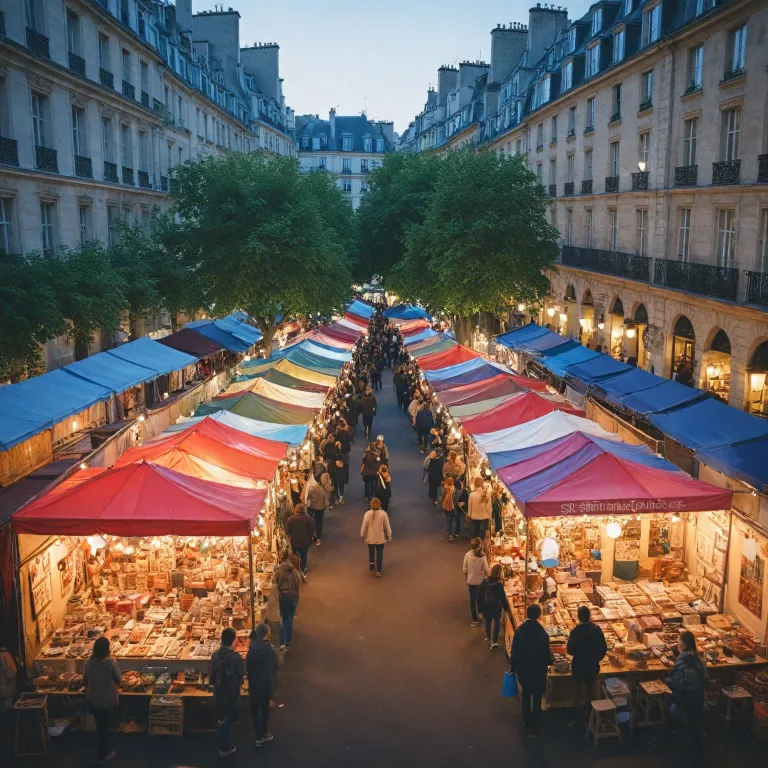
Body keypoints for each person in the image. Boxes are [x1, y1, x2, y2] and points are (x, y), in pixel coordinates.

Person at [509, 604, 553, 737]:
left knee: (526, 696)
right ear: (539, 616)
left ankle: (527, 723)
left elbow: (514, 651)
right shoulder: (542, 633)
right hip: (539, 672)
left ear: (527, 614)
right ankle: (536, 725)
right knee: (538, 699)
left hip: (524, 670)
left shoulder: (520, 631)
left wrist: (513, 666)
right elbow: (547, 655)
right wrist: (549, 662)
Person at [666, 630, 707, 756]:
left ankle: (672, 733)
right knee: (694, 723)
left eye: (678, 640)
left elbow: (676, 683)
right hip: (699, 699)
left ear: (683, 645)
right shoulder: (698, 659)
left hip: (687, 699)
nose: (677, 642)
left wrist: (668, 679)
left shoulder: (683, 660)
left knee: (668, 699)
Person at [566, 604, 608, 724]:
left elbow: (570, 650)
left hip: (578, 666)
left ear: (578, 617)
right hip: (592, 666)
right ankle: (589, 716)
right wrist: (596, 659)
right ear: (589, 617)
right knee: (589, 690)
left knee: (577, 691)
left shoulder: (575, 632)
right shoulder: (597, 630)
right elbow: (603, 648)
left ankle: (577, 717)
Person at [83, 636, 121, 764]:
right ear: (107, 649)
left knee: (101, 726)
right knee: (104, 728)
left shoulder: (88, 663)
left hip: (94, 701)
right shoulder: (111, 663)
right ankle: (104, 754)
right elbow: (119, 680)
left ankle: (104, 750)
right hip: (109, 701)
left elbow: (85, 680)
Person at [210, 627, 246, 757]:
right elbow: (241, 673)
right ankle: (224, 747)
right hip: (230, 692)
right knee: (227, 718)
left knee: (221, 717)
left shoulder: (215, 655)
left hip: (219, 691)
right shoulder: (235, 657)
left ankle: (222, 740)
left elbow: (212, 677)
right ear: (233, 641)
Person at [246, 624, 279, 747]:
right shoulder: (270, 649)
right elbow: (277, 663)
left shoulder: (251, 649)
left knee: (255, 709)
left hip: (254, 683)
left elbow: (247, 667)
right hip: (266, 683)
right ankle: (264, 733)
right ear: (266, 634)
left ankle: (258, 735)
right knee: (264, 708)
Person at [478, 564, 510, 649]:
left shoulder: (484, 581)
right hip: (495, 607)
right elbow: (502, 598)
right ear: (500, 573)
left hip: (485, 606)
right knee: (496, 623)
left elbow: (479, 597)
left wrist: (479, 610)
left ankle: (488, 637)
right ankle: (494, 641)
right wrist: (506, 608)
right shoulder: (498, 584)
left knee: (487, 622)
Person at [275, 552, 302, 651]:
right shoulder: (295, 572)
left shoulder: (279, 571)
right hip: (292, 597)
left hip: (281, 596)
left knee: (282, 618)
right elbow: (298, 584)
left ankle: (282, 642)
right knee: (289, 619)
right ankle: (287, 642)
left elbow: (275, 583)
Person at [360, 497, 392, 577]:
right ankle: (378, 571)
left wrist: (362, 535)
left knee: (371, 551)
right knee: (380, 554)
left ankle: (371, 562)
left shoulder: (367, 514)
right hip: (380, 538)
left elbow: (364, 526)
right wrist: (389, 536)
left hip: (370, 537)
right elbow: (387, 527)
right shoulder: (383, 514)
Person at [463, 538, 489, 627]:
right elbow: (486, 570)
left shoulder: (467, 555)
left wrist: (468, 575)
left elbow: (464, 569)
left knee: (472, 600)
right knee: (480, 598)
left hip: (471, 581)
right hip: (480, 581)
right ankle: (480, 613)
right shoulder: (483, 557)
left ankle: (475, 619)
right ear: (480, 546)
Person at [284, 504, 315, 576]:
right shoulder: (309, 519)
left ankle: (294, 571)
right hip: (305, 542)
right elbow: (312, 531)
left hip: (294, 542)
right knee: (303, 556)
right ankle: (302, 570)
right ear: (303, 510)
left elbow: (287, 532)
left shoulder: (290, 519)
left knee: (294, 556)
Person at [306, 475, 330, 546]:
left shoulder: (313, 488)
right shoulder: (325, 489)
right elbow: (327, 498)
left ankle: (312, 535)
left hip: (313, 507)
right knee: (319, 522)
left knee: (312, 520)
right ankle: (319, 536)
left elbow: (308, 496)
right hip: (321, 508)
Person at [438, 476, 461, 541]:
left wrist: (441, 504)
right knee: (457, 520)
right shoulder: (455, 489)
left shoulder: (446, 488)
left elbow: (443, 496)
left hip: (448, 506)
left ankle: (449, 533)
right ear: (453, 482)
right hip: (455, 507)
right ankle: (457, 532)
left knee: (449, 520)